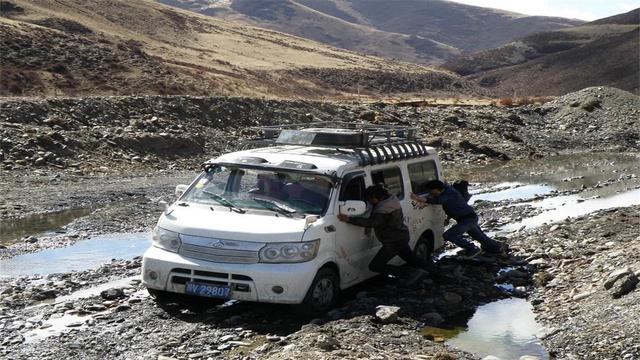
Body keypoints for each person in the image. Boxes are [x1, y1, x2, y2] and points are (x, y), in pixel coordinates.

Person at [337, 184, 435, 285]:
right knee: (412, 259)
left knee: (376, 265)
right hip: (401, 236)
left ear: (377, 198)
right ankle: (436, 272)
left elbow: (372, 223)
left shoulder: (383, 209)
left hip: (393, 241)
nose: (370, 202)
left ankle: (410, 273)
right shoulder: (391, 199)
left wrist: (349, 219)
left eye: (371, 199)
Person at [410, 180, 505, 258]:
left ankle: (472, 248)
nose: (431, 194)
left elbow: (438, 201)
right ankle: (496, 247)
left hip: (467, 219)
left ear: (437, 189)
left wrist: (418, 198)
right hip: (468, 217)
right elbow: (452, 206)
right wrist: (448, 218)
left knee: (448, 235)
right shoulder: (446, 189)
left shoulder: (448, 194)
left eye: (432, 191)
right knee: (478, 235)